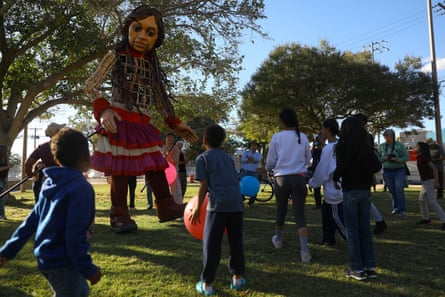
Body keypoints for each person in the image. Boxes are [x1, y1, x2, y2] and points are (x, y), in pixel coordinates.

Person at [84, 5, 198, 233]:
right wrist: (104, 110)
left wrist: (174, 123)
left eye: (150, 33)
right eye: (138, 29)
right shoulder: (115, 56)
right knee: (121, 170)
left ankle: (166, 206)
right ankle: (119, 214)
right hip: (119, 120)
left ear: (157, 38)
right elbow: (90, 85)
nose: (142, 37)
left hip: (142, 123)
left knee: (155, 165)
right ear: (128, 28)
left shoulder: (152, 65)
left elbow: (159, 98)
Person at [0, 128, 101, 296]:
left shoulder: (49, 184)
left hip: (46, 258)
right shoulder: (81, 188)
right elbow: (74, 234)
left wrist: (8, 251)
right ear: (86, 157)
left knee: (80, 291)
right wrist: (87, 268)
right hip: (64, 261)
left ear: (55, 159)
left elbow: (30, 222)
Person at [190, 124, 246, 296]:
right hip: (236, 203)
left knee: (212, 244)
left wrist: (197, 209)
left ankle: (207, 283)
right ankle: (237, 278)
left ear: (205, 140)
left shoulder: (203, 158)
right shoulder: (228, 158)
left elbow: (204, 186)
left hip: (218, 205)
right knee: (235, 241)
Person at [333, 116, 381, 281]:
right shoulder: (365, 146)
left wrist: (336, 177)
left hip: (350, 189)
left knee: (352, 230)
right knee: (365, 229)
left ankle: (357, 268)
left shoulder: (343, 146)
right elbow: (377, 165)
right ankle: (370, 267)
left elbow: (342, 166)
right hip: (365, 190)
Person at [265, 108, 312, 263]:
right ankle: (304, 250)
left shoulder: (277, 137)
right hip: (299, 178)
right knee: (299, 214)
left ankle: (278, 240)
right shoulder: (303, 137)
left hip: (281, 179)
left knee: (281, 209)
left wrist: (269, 167)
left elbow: (271, 161)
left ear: (282, 121)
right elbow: (307, 159)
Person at [309, 119, 346, 246]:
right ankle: (328, 239)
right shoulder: (339, 145)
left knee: (337, 217)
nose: (321, 131)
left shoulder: (330, 148)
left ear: (328, 129)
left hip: (334, 189)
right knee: (327, 214)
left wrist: (313, 182)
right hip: (336, 188)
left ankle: (353, 240)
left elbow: (323, 170)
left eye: (322, 128)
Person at [352, 113, 387, 235]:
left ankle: (379, 221)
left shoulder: (360, 137)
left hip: (359, 171)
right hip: (364, 171)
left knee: (363, 199)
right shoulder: (367, 136)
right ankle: (378, 221)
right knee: (364, 199)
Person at [24, 122, 65, 202]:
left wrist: (31, 174)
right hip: (63, 182)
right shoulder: (67, 146)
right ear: (57, 132)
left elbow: (28, 164)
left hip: (47, 181)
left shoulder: (43, 147)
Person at [377, 129, 409, 217]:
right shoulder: (382, 146)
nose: (386, 137)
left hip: (399, 169)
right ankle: (396, 208)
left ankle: (402, 210)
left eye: (387, 135)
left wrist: (397, 159)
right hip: (387, 170)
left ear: (392, 136)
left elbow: (406, 157)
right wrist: (385, 158)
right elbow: (378, 158)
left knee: (399, 188)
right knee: (391, 190)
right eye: (385, 136)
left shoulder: (400, 145)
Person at [414, 142, 445, 230]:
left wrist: (436, 182)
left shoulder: (425, 157)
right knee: (421, 200)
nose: (414, 147)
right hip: (425, 182)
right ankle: (426, 219)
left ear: (421, 148)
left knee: (432, 202)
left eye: (416, 146)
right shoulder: (420, 157)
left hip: (429, 181)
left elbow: (434, 169)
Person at [240, 140, 261, 207]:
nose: (253, 147)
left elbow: (257, 160)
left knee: (255, 185)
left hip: (253, 171)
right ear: (250, 146)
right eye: (252, 145)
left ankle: (251, 202)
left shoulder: (258, 154)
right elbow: (242, 160)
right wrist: (251, 160)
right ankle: (241, 199)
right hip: (245, 170)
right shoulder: (246, 152)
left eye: (255, 145)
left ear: (257, 147)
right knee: (241, 185)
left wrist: (250, 159)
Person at [163, 133, 182, 204]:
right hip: (164, 170)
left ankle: (177, 203)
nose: (169, 139)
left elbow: (176, 161)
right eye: (168, 137)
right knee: (165, 188)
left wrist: (169, 155)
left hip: (172, 171)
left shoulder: (175, 148)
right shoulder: (163, 148)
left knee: (175, 189)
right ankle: (166, 203)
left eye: (171, 137)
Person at [308, 135, 323, 209]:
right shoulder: (316, 151)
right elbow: (311, 155)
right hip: (315, 170)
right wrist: (314, 145)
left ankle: (322, 203)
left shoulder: (324, 150)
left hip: (322, 169)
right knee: (317, 189)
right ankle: (318, 204)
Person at [0, 145, 13, 220]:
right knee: (1, 198)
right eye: (6, 151)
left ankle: (2, 214)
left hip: (2, 180)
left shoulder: (4, 159)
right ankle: (2, 215)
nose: (8, 152)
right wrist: (8, 167)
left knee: (2, 197)